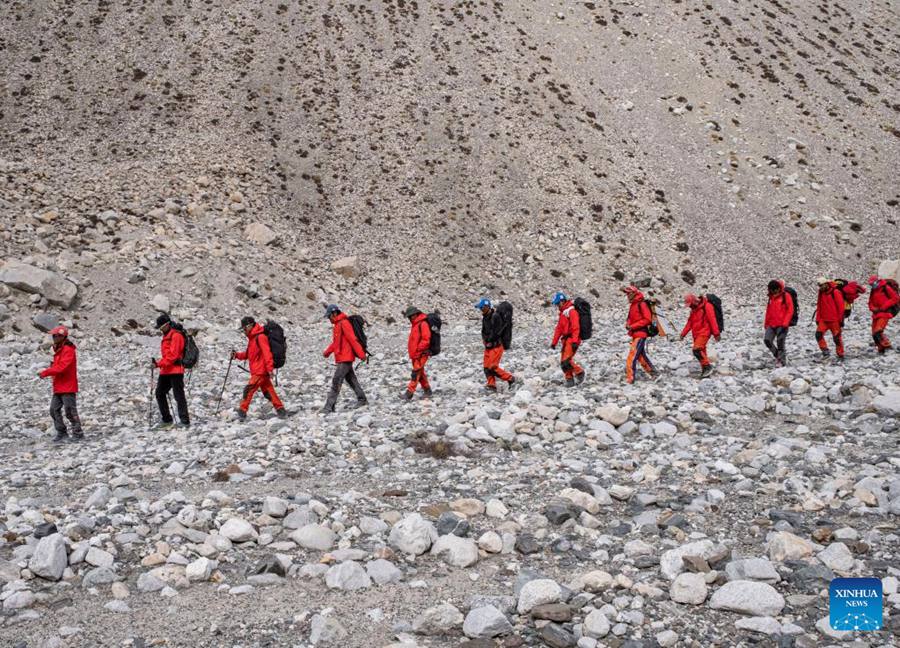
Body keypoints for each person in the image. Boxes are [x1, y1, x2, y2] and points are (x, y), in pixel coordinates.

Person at [232, 316, 288, 419]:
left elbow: (267, 354)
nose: (244, 331)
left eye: (244, 328)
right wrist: (236, 355)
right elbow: (248, 354)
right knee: (269, 391)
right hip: (259, 371)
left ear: (249, 326)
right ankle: (281, 410)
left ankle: (242, 411)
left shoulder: (260, 337)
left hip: (260, 371)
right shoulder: (252, 338)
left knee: (248, 390)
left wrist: (270, 369)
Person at [38, 326, 83, 443]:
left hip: (68, 386)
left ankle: (78, 433)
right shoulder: (58, 349)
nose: (53, 337)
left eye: (55, 335)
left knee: (69, 411)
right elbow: (56, 367)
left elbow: (61, 368)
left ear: (62, 337)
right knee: (53, 410)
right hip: (59, 386)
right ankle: (62, 432)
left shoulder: (68, 350)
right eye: (53, 335)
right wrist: (49, 371)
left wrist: (45, 372)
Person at [322, 304, 368, 413]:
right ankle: (362, 399)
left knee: (336, 380)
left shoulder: (344, 323)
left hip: (345, 358)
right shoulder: (338, 324)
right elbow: (336, 343)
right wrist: (327, 352)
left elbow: (353, 339)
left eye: (329, 316)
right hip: (342, 357)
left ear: (334, 313)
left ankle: (329, 407)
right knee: (351, 379)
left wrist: (361, 355)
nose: (329, 319)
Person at [152, 313, 190, 429]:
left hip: (176, 370)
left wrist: (158, 364)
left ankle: (185, 421)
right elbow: (168, 355)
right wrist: (160, 364)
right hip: (166, 370)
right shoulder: (167, 335)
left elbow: (173, 356)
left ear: (167, 324)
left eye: (161, 327)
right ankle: (167, 419)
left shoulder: (176, 335)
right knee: (159, 393)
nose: (160, 329)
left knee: (178, 395)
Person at [478, 298, 515, 392]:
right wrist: (484, 340)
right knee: (486, 367)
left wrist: (489, 340)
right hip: (488, 346)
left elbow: (496, 332)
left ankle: (510, 378)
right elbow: (484, 330)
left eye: (482, 308)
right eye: (480, 308)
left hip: (496, 346)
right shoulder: (485, 317)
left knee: (492, 367)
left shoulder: (495, 317)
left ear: (487, 307)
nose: (481, 310)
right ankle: (491, 385)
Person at [680, 294, 721, 378]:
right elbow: (689, 323)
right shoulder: (693, 310)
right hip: (696, 334)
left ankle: (708, 367)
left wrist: (716, 334)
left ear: (694, 301)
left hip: (704, 332)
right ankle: (705, 372)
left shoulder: (707, 306)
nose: (689, 306)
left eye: (690, 304)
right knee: (702, 352)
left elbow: (712, 319)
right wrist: (682, 334)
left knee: (696, 350)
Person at [550, 292, 585, 387]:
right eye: (556, 304)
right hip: (566, 340)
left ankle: (579, 372)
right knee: (563, 362)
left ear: (562, 301)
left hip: (572, 340)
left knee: (566, 361)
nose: (557, 305)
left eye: (558, 303)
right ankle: (569, 380)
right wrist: (554, 342)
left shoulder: (571, 311)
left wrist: (574, 341)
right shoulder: (563, 313)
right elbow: (559, 329)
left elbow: (576, 327)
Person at [623, 285, 656, 383]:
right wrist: (628, 323)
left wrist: (632, 326)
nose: (627, 295)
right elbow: (630, 317)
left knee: (632, 356)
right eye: (627, 293)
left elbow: (647, 319)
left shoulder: (641, 304)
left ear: (634, 293)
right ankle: (654, 373)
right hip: (636, 334)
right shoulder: (633, 304)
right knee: (641, 356)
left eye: (629, 293)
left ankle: (630, 378)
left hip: (640, 334)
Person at [402, 306, 432, 400]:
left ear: (416, 314)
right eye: (409, 316)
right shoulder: (416, 324)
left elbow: (426, 339)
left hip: (421, 353)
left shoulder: (422, 323)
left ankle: (409, 393)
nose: (411, 317)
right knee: (420, 372)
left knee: (415, 373)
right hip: (416, 354)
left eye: (412, 315)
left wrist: (419, 350)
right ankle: (427, 390)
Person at [764, 280, 794, 366]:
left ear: (778, 288)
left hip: (782, 324)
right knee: (767, 340)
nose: (773, 292)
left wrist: (785, 323)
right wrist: (766, 323)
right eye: (771, 290)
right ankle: (778, 355)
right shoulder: (771, 298)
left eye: (774, 290)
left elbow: (790, 310)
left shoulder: (786, 296)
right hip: (772, 324)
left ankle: (782, 361)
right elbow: (768, 311)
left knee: (780, 342)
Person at [868, 274, 900, 353]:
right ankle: (881, 349)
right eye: (871, 284)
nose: (872, 285)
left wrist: (884, 307)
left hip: (885, 313)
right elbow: (870, 302)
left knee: (878, 331)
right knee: (874, 334)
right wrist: (873, 309)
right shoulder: (873, 290)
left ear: (877, 281)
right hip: (876, 314)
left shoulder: (885, 287)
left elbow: (896, 298)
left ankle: (887, 345)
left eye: (873, 283)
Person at [814, 278, 845, 359]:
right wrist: (818, 319)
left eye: (821, 285)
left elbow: (841, 307)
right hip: (823, 320)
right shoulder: (821, 293)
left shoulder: (835, 292)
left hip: (834, 320)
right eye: (819, 286)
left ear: (826, 283)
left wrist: (841, 320)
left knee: (837, 338)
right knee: (818, 335)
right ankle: (825, 351)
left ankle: (840, 354)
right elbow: (819, 306)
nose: (820, 287)